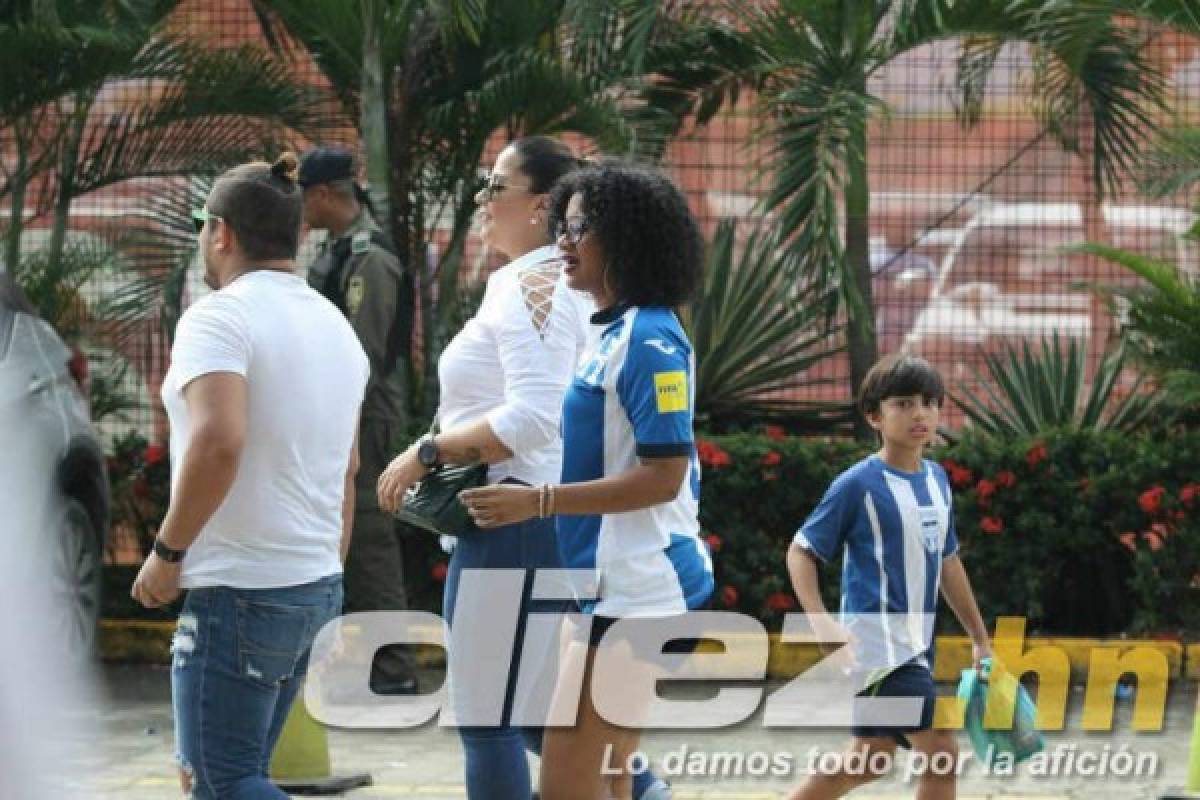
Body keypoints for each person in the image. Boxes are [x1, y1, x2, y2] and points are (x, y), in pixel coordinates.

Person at [457, 162, 714, 800]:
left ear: (626, 239)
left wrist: (536, 502)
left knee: (571, 784)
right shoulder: (613, 332)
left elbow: (662, 475)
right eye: (562, 227)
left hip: (643, 589)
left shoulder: (648, 340)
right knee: (608, 780)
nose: (563, 242)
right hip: (612, 587)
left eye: (580, 229)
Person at [131, 153, 369, 799]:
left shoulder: (219, 317)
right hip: (311, 584)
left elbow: (217, 443)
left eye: (203, 225)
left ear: (223, 232)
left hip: (239, 592)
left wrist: (166, 552)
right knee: (237, 777)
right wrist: (331, 574)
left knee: (221, 781)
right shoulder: (334, 325)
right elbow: (347, 470)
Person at [783, 353, 993, 800]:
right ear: (874, 415)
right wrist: (821, 621)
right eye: (903, 404)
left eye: (929, 402)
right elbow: (801, 551)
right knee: (942, 752)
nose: (920, 413)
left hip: (917, 645)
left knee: (868, 759)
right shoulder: (857, 484)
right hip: (878, 644)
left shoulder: (937, 479)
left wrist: (979, 636)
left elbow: (948, 562)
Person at [299, 146, 419, 694]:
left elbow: (362, 356)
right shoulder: (338, 250)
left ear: (324, 194)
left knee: (369, 539)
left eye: (303, 194)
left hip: (363, 415)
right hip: (338, 411)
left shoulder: (370, 259)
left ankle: (395, 667)